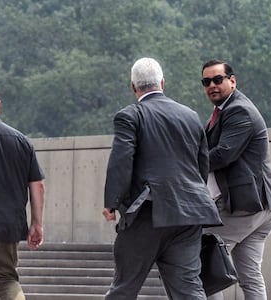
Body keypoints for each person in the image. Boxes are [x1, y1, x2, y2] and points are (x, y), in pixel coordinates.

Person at [102, 57, 222, 300]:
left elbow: (121, 161)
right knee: (188, 289)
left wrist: (112, 202)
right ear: (163, 83)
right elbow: (202, 164)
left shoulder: (130, 116)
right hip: (189, 215)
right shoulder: (190, 115)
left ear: (133, 87)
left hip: (149, 213)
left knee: (124, 287)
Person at [201, 59, 271, 300]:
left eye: (218, 79)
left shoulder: (238, 110)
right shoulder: (223, 111)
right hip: (259, 208)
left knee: (204, 266)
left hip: (245, 208)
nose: (212, 85)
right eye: (206, 81)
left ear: (232, 81)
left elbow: (224, 154)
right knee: (250, 277)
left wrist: (188, 167)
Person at [0, 83, 45, 300]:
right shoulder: (21, 141)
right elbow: (37, 184)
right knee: (6, 280)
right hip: (8, 228)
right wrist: (37, 224)